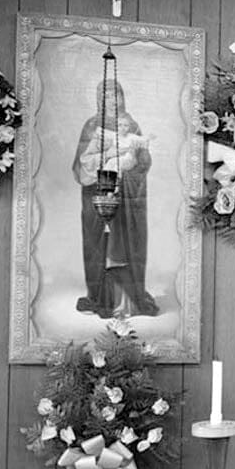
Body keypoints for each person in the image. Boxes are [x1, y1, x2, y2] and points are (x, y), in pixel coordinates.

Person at [72, 79, 159, 319]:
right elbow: (82, 164)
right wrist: (108, 157)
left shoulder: (133, 126)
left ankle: (130, 299)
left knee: (128, 243)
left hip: (128, 196)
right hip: (99, 195)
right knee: (100, 243)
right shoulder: (92, 126)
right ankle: (102, 297)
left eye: (116, 96)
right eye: (107, 97)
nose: (113, 101)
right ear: (100, 99)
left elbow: (144, 160)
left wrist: (134, 164)